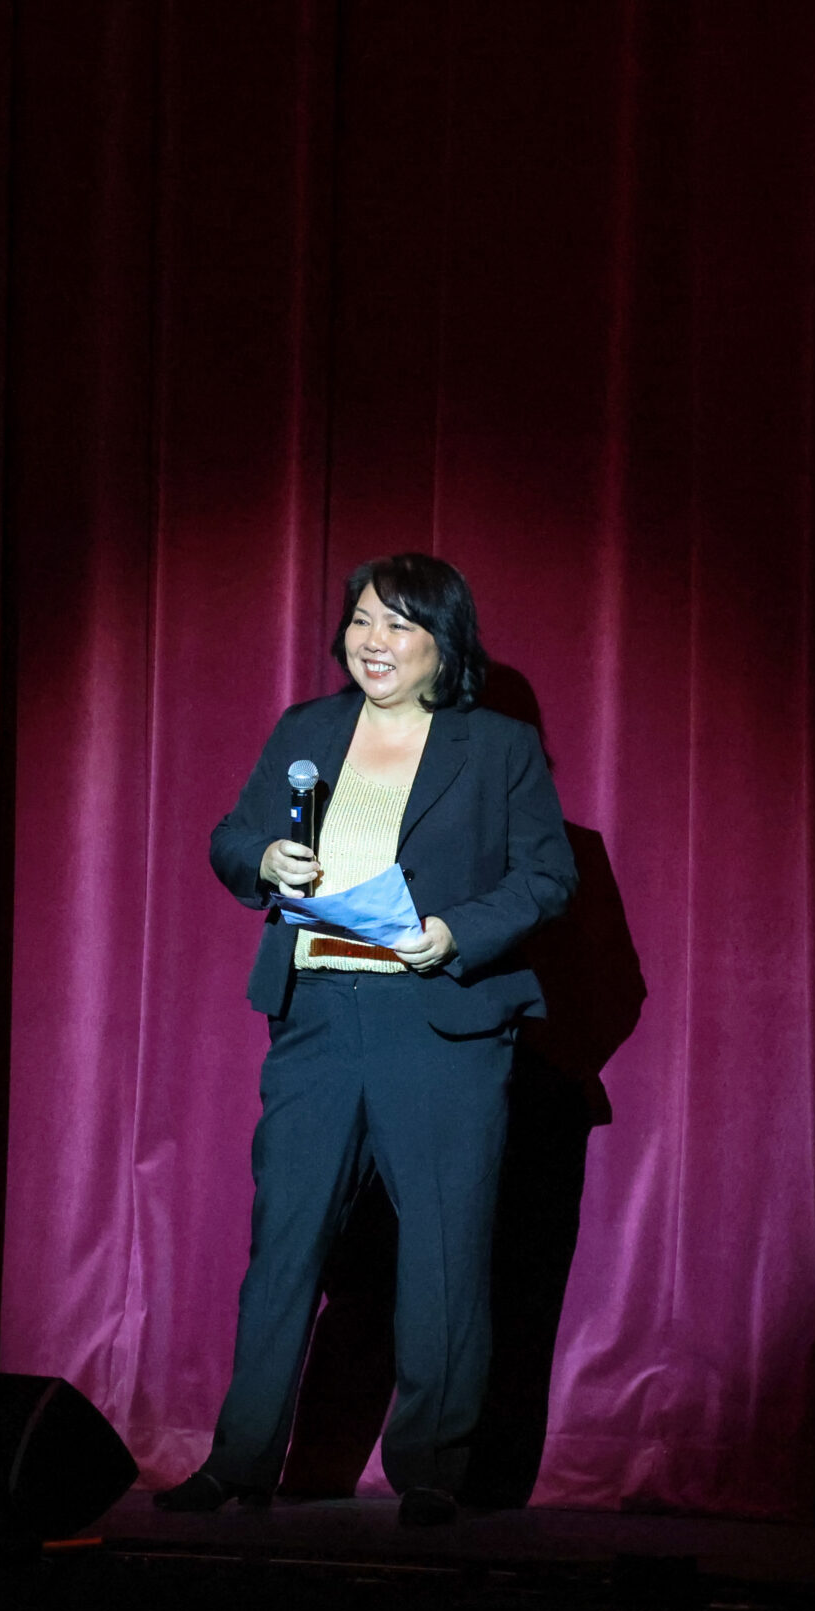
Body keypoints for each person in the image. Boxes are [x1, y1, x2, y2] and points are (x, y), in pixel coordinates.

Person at [158, 553, 577, 1527]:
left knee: (440, 1253)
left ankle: (431, 1471)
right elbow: (231, 838)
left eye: (397, 626)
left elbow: (547, 879)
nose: (372, 643)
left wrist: (455, 933)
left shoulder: (498, 746)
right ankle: (240, 1461)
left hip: (436, 1019)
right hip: (315, 1015)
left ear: (444, 643)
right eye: (359, 622)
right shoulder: (306, 729)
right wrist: (261, 856)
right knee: (285, 1249)